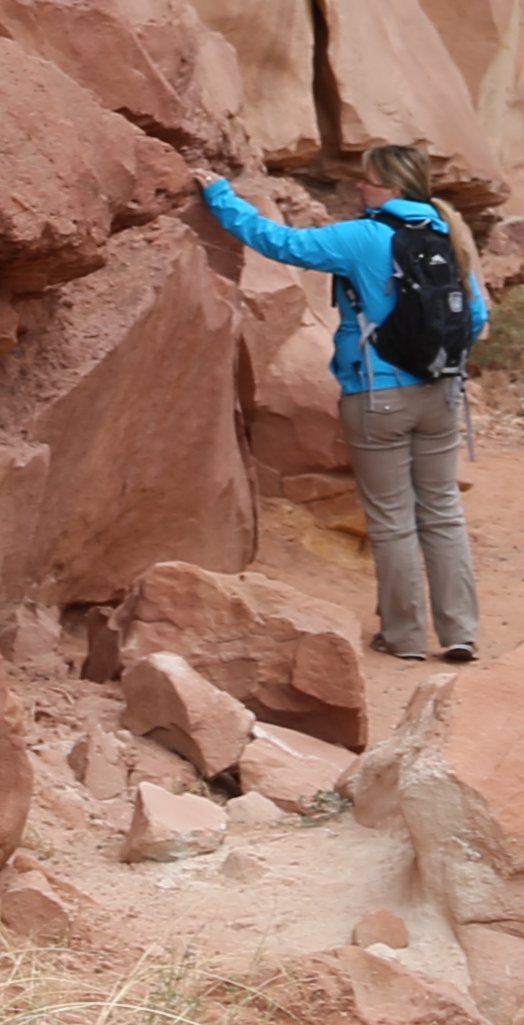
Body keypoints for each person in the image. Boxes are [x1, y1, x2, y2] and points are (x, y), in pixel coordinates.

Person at [202, 143, 490, 664]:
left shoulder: (364, 236)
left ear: (394, 189)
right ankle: (460, 633)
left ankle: (403, 637)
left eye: (370, 182)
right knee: (443, 512)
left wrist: (220, 197)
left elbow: (279, 242)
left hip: (378, 395)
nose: (360, 188)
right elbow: (475, 319)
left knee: (392, 518)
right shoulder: (450, 234)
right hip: (442, 396)